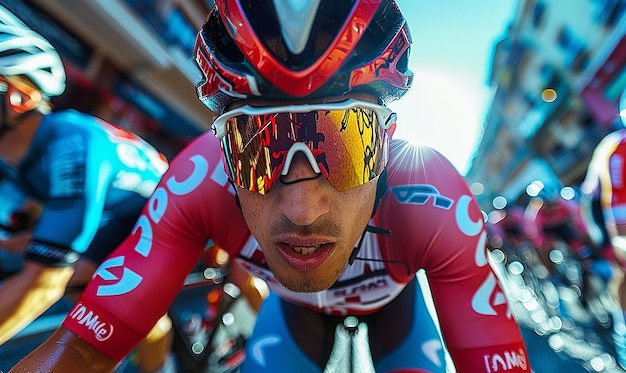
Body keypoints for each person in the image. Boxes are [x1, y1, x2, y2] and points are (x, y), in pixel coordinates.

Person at [12, 1, 529, 372]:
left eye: (347, 146)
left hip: (391, 311)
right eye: (255, 151)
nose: (302, 209)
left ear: (388, 144)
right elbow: (82, 348)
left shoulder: (435, 197)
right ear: (221, 150)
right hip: (297, 310)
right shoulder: (196, 182)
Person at [0, 6, 172, 372]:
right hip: (116, 206)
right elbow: (51, 204)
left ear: (19, 98)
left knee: (103, 292)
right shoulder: (25, 149)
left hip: (160, 212)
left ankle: (160, 365)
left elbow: (44, 282)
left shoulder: (71, 145)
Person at [580, 87, 626, 369]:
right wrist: (604, 241)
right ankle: (623, 332)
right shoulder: (612, 146)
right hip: (615, 219)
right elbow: (596, 198)